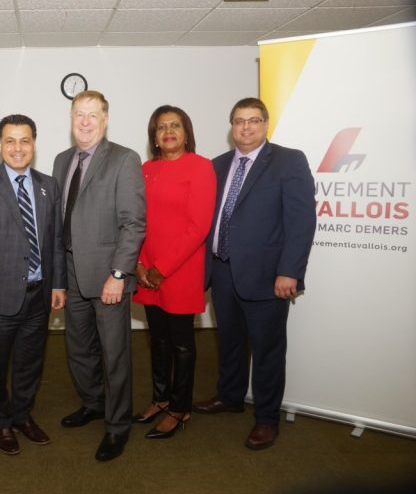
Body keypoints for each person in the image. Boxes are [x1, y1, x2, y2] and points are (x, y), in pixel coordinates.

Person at [192, 97, 316, 450]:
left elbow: (301, 220)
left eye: (253, 120)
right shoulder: (216, 165)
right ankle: (229, 396)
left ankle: (266, 418)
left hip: (268, 276)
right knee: (228, 341)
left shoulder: (289, 161)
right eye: (239, 121)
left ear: (265, 124)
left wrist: (290, 271)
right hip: (223, 270)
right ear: (231, 127)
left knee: (267, 350)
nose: (245, 127)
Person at [0, 114, 66, 455]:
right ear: (0, 144)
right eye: (10, 141)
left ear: (34, 144)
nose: (17, 148)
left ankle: (22, 414)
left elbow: (55, 239)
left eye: (24, 140)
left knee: (29, 362)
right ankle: (0, 422)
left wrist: (58, 285)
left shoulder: (49, 184)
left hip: (38, 295)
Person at [52, 90, 145, 461]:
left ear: (105, 120)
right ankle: (93, 402)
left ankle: (118, 425)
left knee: (114, 353)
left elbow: (134, 224)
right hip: (72, 271)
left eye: (93, 115)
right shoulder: (61, 161)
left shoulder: (124, 159)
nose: (85, 121)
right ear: (71, 118)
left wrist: (118, 274)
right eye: (79, 114)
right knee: (78, 347)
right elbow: (61, 221)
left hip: (108, 274)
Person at [132, 105, 216, 439]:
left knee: (182, 344)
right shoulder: (144, 169)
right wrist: (139, 263)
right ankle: (161, 398)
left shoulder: (201, 167)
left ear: (186, 131)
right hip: (147, 269)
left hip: (179, 271)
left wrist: (161, 269)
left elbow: (198, 227)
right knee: (158, 340)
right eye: (161, 127)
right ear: (154, 135)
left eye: (175, 125)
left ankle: (181, 409)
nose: (168, 131)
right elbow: (136, 219)